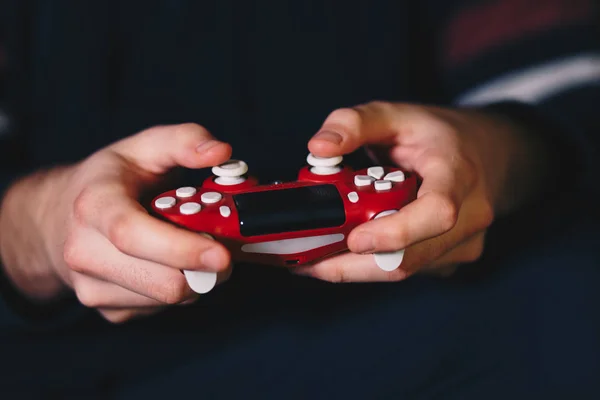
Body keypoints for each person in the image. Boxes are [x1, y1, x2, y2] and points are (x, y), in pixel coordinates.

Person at [1, 0, 599, 398]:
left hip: (446, 323)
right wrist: (44, 221)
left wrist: (494, 152)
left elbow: (569, 82)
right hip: (91, 367)